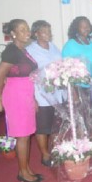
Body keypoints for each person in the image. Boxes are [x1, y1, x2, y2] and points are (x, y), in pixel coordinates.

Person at [0, 19, 42, 182]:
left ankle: (27, 169)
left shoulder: (23, 50)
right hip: (15, 95)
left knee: (27, 134)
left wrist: (33, 99)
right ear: (13, 33)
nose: (27, 32)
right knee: (22, 135)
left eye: (27, 28)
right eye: (22, 29)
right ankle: (23, 172)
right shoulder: (11, 51)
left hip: (26, 94)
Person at [61, 17, 92, 138]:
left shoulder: (91, 43)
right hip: (81, 86)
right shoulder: (70, 45)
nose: (86, 28)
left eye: (88, 26)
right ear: (76, 28)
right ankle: (83, 142)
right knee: (83, 116)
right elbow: (66, 70)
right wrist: (74, 91)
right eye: (83, 26)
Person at [26, 20, 62, 168]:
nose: (48, 34)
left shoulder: (53, 47)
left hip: (57, 93)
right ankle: (45, 154)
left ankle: (53, 150)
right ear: (36, 34)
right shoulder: (30, 50)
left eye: (49, 30)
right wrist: (32, 97)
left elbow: (61, 64)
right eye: (44, 31)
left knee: (55, 126)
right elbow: (28, 74)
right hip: (41, 95)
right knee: (42, 126)